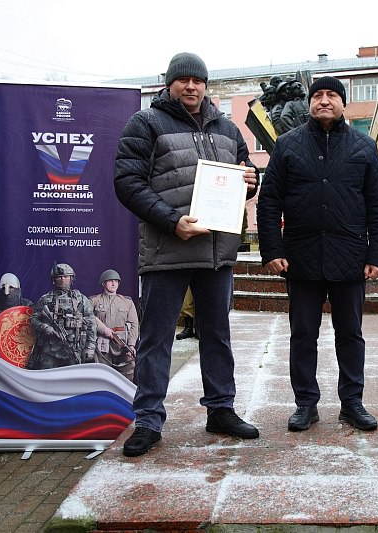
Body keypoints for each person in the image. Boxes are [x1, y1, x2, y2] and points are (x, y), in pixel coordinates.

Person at [114, 51, 260, 457]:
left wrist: (252, 180)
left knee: (217, 336)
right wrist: (171, 221)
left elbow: (246, 179)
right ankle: (147, 420)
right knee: (156, 339)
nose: (191, 86)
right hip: (167, 250)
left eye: (198, 80)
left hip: (217, 253)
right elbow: (127, 182)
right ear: (170, 83)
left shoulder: (228, 129)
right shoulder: (145, 123)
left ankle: (221, 410)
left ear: (206, 85)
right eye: (183, 80)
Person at [257, 76, 378, 432]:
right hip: (301, 258)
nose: (325, 100)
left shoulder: (364, 146)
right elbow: (269, 201)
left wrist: (377, 255)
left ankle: (352, 402)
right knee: (302, 335)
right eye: (318, 95)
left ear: (343, 103)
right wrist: (272, 249)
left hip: (349, 258)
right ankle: (305, 403)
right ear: (309, 102)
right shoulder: (287, 145)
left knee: (351, 334)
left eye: (332, 95)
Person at [27, 263, 97, 370]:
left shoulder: (81, 299)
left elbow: (91, 324)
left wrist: (90, 347)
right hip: (49, 352)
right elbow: (33, 319)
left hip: (74, 349)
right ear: (54, 279)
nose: (62, 279)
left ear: (71, 278)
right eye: (59, 277)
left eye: (65, 277)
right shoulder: (46, 299)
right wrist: (45, 327)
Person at [92, 269, 139, 382]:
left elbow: (134, 325)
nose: (113, 284)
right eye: (110, 281)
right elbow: (89, 317)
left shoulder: (127, 302)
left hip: (122, 342)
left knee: (128, 372)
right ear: (103, 283)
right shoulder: (94, 300)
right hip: (102, 344)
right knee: (102, 374)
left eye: (116, 281)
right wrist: (104, 329)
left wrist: (131, 344)